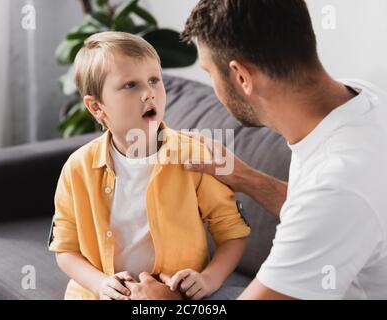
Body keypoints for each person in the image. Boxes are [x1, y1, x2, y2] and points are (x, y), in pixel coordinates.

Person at [137, 0, 387, 300]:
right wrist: (243, 177)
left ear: (241, 77)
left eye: (209, 72)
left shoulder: (338, 185)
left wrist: (162, 303)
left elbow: (332, 203)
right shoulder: (364, 99)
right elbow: (330, 209)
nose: (211, 83)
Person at [48, 31, 251, 300]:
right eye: (130, 85)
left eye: (154, 80)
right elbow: (65, 250)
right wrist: (100, 284)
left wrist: (208, 279)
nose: (149, 93)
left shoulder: (194, 156)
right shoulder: (78, 168)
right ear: (96, 107)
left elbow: (232, 234)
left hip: (178, 296)